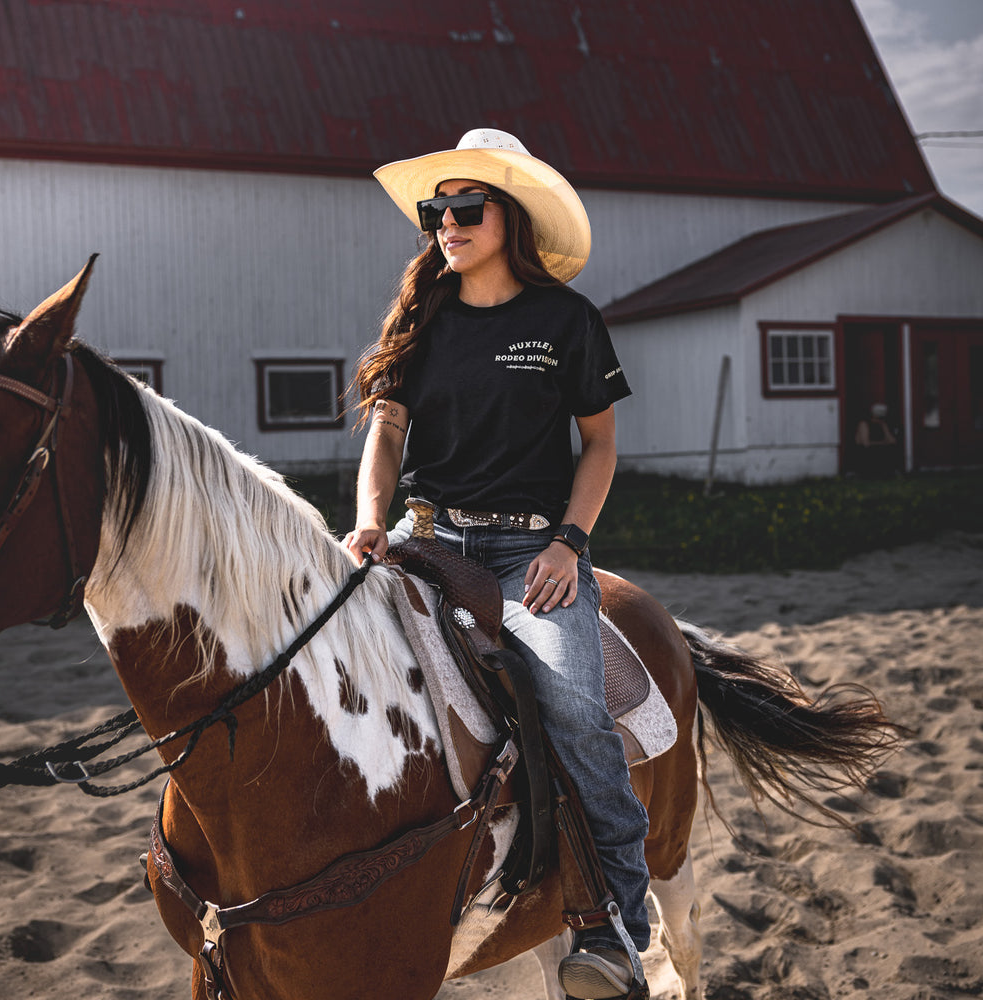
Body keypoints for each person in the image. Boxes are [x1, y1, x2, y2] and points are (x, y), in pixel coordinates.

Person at [344, 128, 649, 998]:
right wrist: (369, 521)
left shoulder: (565, 322)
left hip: (529, 551)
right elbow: (388, 432)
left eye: (465, 208)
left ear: (508, 218)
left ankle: (618, 926)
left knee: (574, 709)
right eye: (436, 212)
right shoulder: (422, 320)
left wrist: (569, 544)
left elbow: (600, 445)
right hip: (426, 538)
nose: (446, 223)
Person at [854, 402, 899, 476]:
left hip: (877, 449)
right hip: (866, 452)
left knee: (889, 450)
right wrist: (883, 443)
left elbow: (892, 441)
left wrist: (883, 426)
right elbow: (866, 444)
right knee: (877, 451)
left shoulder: (883, 424)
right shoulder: (864, 424)